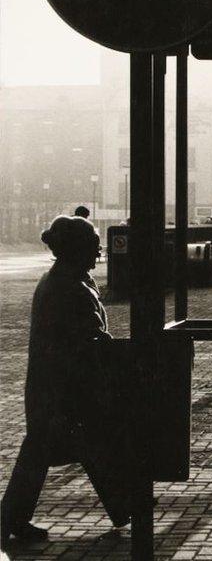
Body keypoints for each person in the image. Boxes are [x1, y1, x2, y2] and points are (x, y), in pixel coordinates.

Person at [1, 216, 130, 546]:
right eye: (93, 245)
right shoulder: (68, 287)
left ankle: (122, 506)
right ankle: (123, 506)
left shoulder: (66, 280)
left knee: (64, 450)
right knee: (87, 445)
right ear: (78, 249)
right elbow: (86, 340)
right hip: (62, 390)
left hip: (55, 389)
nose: (98, 251)